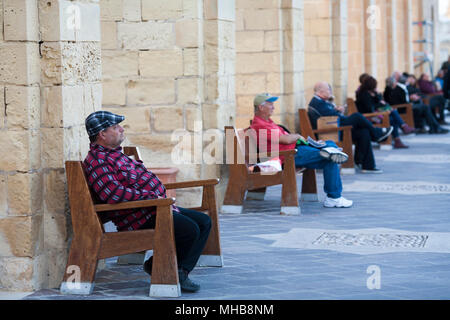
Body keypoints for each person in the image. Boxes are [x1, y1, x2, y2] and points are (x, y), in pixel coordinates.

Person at [83, 110, 211, 293]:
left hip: (152, 209)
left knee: (204, 221)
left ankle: (177, 270)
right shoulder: (99, 161)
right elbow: (113, 194)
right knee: (189, 229)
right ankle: (165, 270)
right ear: (102, 134)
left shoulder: (113, 154)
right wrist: (151, 197)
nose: (121, 129)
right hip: (138, 216)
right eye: (115, 127)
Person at [250, 93, 353, 208]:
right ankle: (334, 197)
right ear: (261, 107)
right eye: (270, 104)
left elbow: (287, 137)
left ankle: (334, 194)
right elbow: (286, 139)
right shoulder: (260, 125)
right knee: (330, 157)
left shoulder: (268, 122)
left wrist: (301, 140)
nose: (273, 107)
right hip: (288, 156)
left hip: (294, 151)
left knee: (329, 146)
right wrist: (298, 136)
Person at [309, 82, 393, 173]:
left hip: (336, 128)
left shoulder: (321, 102)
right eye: (328, 90)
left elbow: (330, 116)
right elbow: (331, 117)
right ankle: (377, 133)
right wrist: (338, 111)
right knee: (356, 116)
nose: (330, 92)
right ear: (320, 92)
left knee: (364, 132)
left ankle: (367, 165)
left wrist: (337, 110)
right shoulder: (317, 102)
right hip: (331, 133)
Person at [356, 75, 414, 148]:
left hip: (374, 114)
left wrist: (377, 94)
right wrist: (379, 103)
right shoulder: (364, 95)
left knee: (392, 113)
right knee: (392, 118)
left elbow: (379, 102)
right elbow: (370, 108)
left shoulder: (371, 93)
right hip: (369, 117)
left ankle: (399, 136)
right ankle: (401, 132)